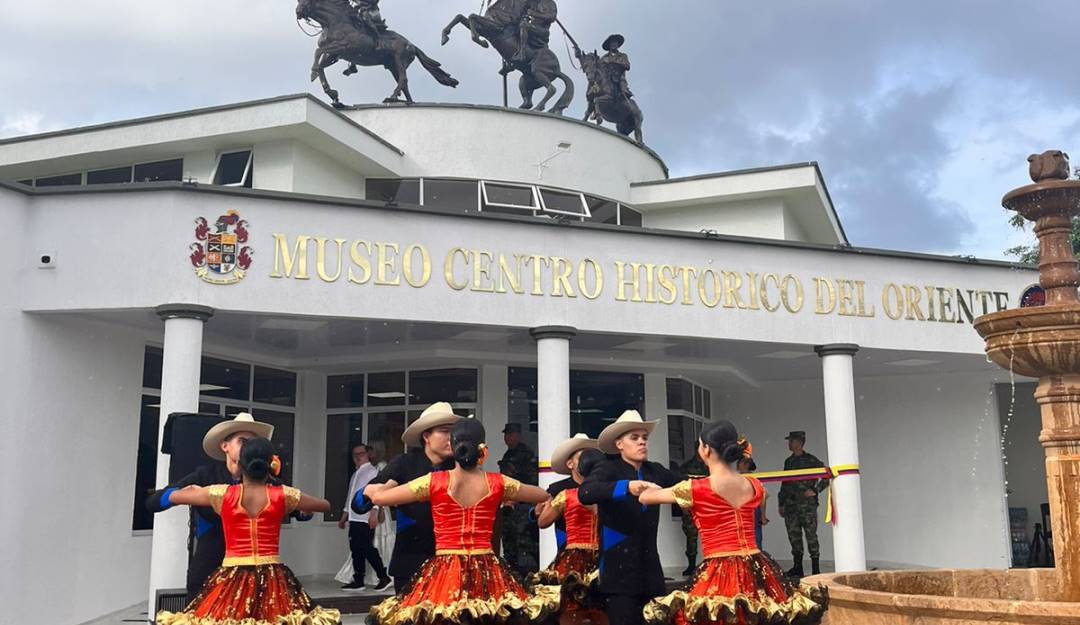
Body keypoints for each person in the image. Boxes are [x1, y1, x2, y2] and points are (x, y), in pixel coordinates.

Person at [367, 418, 561, 625]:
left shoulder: (434, 482)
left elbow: (380, 498)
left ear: (453, 446)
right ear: (482, 449)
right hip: (488, 569)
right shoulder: (499, 483)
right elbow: (541, 494)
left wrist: (375, 489)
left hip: (445, 570)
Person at [639, 421, 827, 625]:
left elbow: (646, 497)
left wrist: (643, 484)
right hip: (757, 566)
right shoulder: (754, 485)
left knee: (721, 615)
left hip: (719, 570)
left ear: (706, 450)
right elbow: (763, 496)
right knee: (759, 613)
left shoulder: (695, 488)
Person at [155, 437, 340, 625]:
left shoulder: (221, 494)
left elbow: (174, 496)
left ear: (240, 464)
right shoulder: (284, 494)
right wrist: (300, 505)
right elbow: (325, 505)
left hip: (232, 575)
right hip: (273, 576)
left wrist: (191, 489)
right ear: (270, 464)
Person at [145, 413, 275, 603]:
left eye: (253, 443)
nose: (249, 447)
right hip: (208, 569)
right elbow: (153, 502)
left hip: (252, 573)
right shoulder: (205, 476)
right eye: (243, 441)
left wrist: (303, 512)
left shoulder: (266, 481)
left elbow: (299, 510)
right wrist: (179, 495)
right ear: (225, 446)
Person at [577, 410, 679, 625]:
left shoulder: (655, 471)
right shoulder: (607, 468)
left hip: (651, 570)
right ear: (619, 444)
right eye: (634, 438)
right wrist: (628, 487)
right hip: (618, 572)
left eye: (644, 438)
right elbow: (586, 493)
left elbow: (687, 485)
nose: (642, 442)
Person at [358, 402, 461, 593]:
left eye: (453, 432)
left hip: (452, 560)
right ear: (426, 436)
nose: (451, 437)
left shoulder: (460, 467)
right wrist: (373, 495)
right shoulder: (405, 463)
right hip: (410, 559)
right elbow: (361, 501)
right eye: (444, 431)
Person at [532, 435, 605, 623]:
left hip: (603, 554)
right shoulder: (559, 490)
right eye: (582, 456)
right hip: (569, 553)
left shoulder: (603, 488)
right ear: (570, 463)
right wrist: (537, 511)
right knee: (570, 604)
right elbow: (541, 518)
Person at [338, 443, 391, 591]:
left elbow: (377, 494)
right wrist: (344, 516)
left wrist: (374, 512)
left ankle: (383, 576)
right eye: (355, 454)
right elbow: (350, 498)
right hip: (354, 518)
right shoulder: (356, 474)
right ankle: (358, 579)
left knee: (367, 547)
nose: (357, 457)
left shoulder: (373, 473)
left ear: (368, 454)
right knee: (356, 548)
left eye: (360, 454)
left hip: (365, 517)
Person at [778, 431, 829, 577]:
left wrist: (815, 490)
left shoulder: (811, 460)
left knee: (811, 535)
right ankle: (797, 567)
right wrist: (781, 503)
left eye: (791, 441)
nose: (789, 444)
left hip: (807, 506)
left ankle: (815, 568)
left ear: (799, 442)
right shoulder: (788, 462)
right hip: (791, 505)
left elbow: (826, 476)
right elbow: (784, 483)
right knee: (794, 536)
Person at [499, 421, 539, 576]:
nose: (507, 438)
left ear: (518, 435)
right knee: (509, 546)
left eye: (510, 434)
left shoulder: (525, 455)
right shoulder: (508, 455)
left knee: (524, 546)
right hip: (509, 507)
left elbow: (529, 482)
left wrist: (517, 499)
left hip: (522, 507)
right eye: (506, 435)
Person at [735, 439, 770, 550]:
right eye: (742, 462)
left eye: (745, 462)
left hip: (752, 512)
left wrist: (763, 515)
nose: (743, 465)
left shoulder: (753, 479)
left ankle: (755, 566)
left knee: (755, 542)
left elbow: (764, 495)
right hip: (741, 513)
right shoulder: (736, 479)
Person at [677, 451, 707, 577]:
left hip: (707, 505)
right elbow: (680, 487)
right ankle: (691, 565)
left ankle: (711, 565)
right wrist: (683, 505)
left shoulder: (709, 466)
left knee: (711, 537)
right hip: (691, 506)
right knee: (691, 537)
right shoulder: (686, 467)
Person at [598, 34, 633, 100]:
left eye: (615, 43)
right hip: (606, 78)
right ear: (609, 45)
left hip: (619, 78)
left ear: (618, 44)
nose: (614, 44)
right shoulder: (603, 58)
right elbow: (597, 68)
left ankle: (625, 94)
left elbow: (627, 66)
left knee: (623, 88)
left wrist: (615, 64)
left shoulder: (623, 56)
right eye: (612, 43)